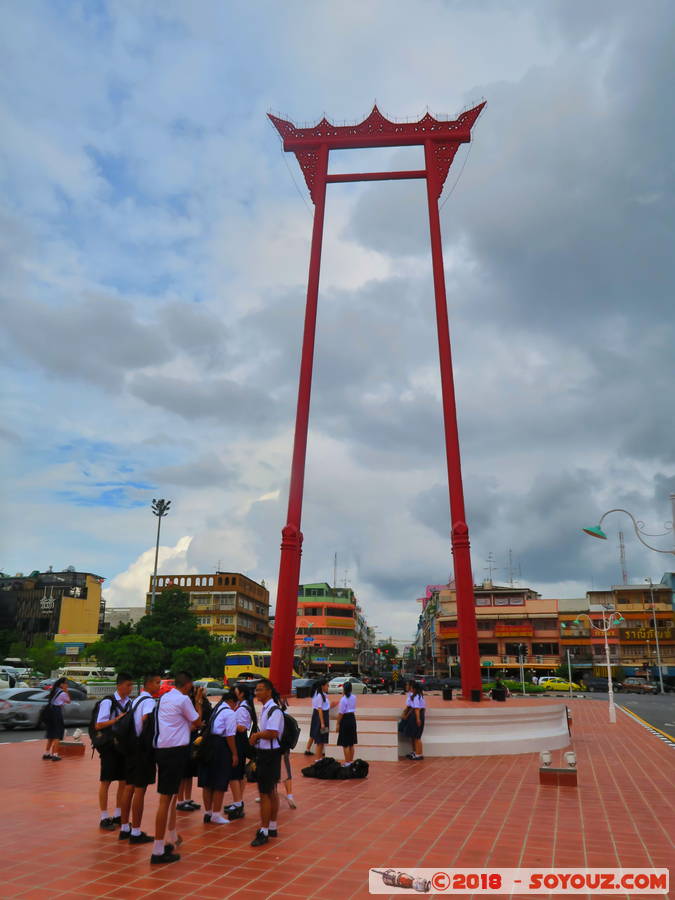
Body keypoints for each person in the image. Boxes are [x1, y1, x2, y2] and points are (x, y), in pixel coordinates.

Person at [151, 671, 204, 865]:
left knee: (172, 797)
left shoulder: (166, 697)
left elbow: (181, 724)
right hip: (174, 752)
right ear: (189, 686)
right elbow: (197, 721)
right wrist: (198, 701)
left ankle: (171, 836)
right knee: (165, 800)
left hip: (164, 749)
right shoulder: (183, 700)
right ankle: (157, 849)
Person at [118, 672, 161, 844]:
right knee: (140, 790)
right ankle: (136, 832)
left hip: (130, 747)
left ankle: (124, 828)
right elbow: (146, 719)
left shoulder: (136, 700)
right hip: (142, 750)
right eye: (157, 682)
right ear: (149, 684)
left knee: (129, 787)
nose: (159, 686)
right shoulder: (149, 701)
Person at [249, 678, 284, 847]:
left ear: (269, 692)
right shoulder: (266, 709)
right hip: (268, 753)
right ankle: (272, 826)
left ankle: (264, 831)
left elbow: (273, 732)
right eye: (256, 690)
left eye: (260, 689)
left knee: (265, 794)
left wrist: (256, 736)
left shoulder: (274, 710)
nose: (257, 693)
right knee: (270, 791)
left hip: (269, 754)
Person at [96, 672, 133, 830]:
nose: (130, 688)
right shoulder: (108, 702)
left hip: (123, 746)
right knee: (106, 781)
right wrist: (117, 720)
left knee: (123, 781)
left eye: (131, 685)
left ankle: (118, 815)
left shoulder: (130, 702)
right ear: (119, 685)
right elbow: (99, 725)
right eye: (128, 685)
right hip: (110, 746)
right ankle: (104, 816)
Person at [198, 691, 238, 825]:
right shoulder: (230, 713)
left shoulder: (217, 709)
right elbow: (230, 736)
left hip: (208, 744)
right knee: (220, 782)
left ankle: (208, 813)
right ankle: (216, 814)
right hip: (220, 746)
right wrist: (234, 753)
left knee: (207, 782)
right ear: (232, 702)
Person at [177, 687, 210, 812]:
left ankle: (187, 799)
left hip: (194, 738)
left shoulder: (201, 702)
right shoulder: (188, 704)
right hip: (186, 739)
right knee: (183, 772)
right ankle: (180, 801)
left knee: (189, 772)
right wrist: (198, 724)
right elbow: (196, 719)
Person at [226, 685, 257, 820]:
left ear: (242, 694)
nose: (234, 692)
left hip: (239, 742)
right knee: (238, 773)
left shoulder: (243, 708)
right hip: (239, 742)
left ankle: (238, 803)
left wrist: (228, 723)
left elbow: (242, 728)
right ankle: (237, 801)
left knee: (235, 773)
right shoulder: (240, 706)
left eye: (236, 691)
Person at [42, 677, 70, 761]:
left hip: (50, 712)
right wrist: (66, 691)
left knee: (51, 733)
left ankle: (47, 753)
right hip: (56, 713)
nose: (67, 685)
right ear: (62, 684)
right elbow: (68, 701)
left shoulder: (54, 690)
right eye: (66, 683)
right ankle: (55, 754)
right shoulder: (62, 693)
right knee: (57, 734)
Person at [336, 680, 357, 766]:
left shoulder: (343, 700)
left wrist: (338, 723)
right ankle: (351, 761)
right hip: (352, 718)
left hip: (345, 720)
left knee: (345, 744)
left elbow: (341, 713)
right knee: (351, 743)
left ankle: (347, 762)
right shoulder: (354, 697)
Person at [309, 678, 330, 761]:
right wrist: (322, 723)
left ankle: (320, 757)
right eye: (327, 685)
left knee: (322, 739)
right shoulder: (319, 696)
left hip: (324, 717)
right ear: (322, 686)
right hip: (320, 719)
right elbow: (320, 710)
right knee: (319, 739)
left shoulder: (324, 695)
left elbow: (325, 707)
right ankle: (318, 759)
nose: (328, 687)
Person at [404, 681, 425, 760]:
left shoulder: (417, 697)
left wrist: (418, 719)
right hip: (416, 715)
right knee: (414, 736)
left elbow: (417, 709)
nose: (410, 688)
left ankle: (419, 754)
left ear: (414, 689)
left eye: (411, 687)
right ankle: (415, 752)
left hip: (417, 715)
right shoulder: (416, 695)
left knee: (417, 736)